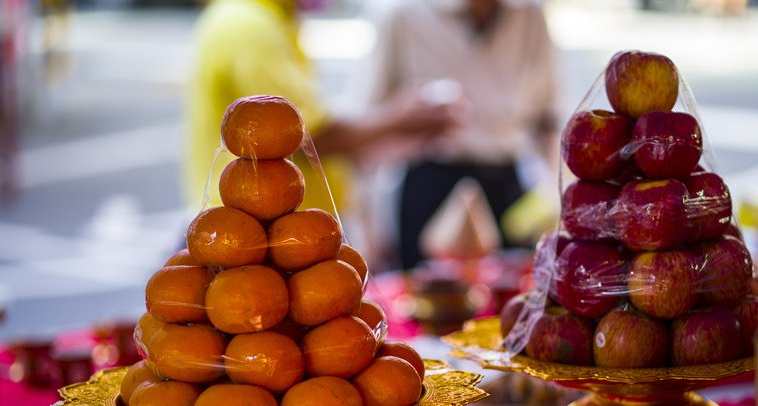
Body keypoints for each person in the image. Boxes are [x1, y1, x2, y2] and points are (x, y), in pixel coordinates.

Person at [182, 0, 458, 231]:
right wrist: (399, 118)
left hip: (278, 228)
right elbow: (303, 136)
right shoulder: (249, 27)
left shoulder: (269, 18)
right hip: (254, 232)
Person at [367, 0, 561, 270]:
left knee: (509, 294)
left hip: (506, 183)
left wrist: (550, 190)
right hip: (432, 183)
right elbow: (373, 119)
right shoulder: (406, 15)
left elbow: (547, 118)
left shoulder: (529, 16)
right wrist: (371, 228)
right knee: (428, 297)